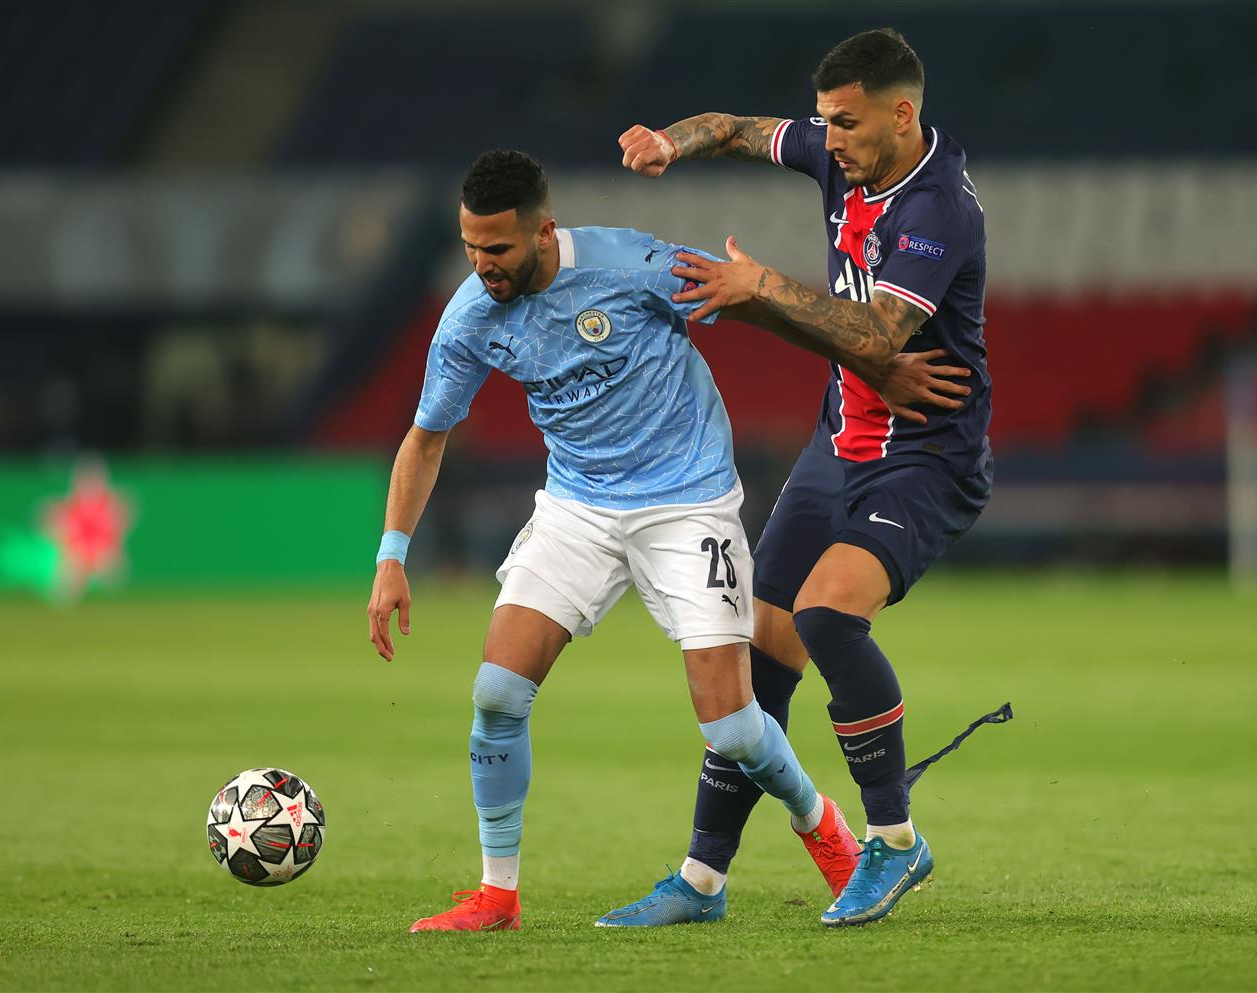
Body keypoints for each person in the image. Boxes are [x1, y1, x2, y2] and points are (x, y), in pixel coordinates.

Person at [367, 148, 889, 932]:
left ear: (543, 231)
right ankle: (497, 893)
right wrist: (391, 558)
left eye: (498, 249)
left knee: (732, 726)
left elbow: (749, 302)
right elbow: (426, 437)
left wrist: (865, 362)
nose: (483, 267)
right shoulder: (471, 315)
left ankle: (824, 827)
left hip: (686, 503)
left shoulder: (629, 262)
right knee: (497, 695)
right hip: (577, 507)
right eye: (471, 248)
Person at [612, 26, 991, 927]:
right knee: (760, 654)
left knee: (827, 614)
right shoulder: (840, 149)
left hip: (927, 453)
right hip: (840, 446)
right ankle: (701, 881)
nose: (833, 141)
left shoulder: (938, 208)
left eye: (849, 126)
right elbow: (739, 129)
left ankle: (895, 843)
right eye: (826, 123)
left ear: (902, 115)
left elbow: (875, 339)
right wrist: (673, 141)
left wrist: (760, 287)